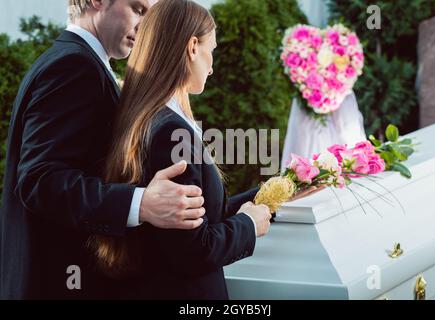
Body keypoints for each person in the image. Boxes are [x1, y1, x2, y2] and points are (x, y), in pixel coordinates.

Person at [89, 0, 319, 300]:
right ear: (192, 47)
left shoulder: (153, 118)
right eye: (212, 50)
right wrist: (248, 226)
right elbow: (194, 252)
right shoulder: (171, 130)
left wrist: (282, 189)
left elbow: (203, 216)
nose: (212, 66)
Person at [0, 0, 207, 300]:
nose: (144, 25)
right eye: (137, 10)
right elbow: (40, 181)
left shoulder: (84, 63)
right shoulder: (72, 65)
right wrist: (141, 204)